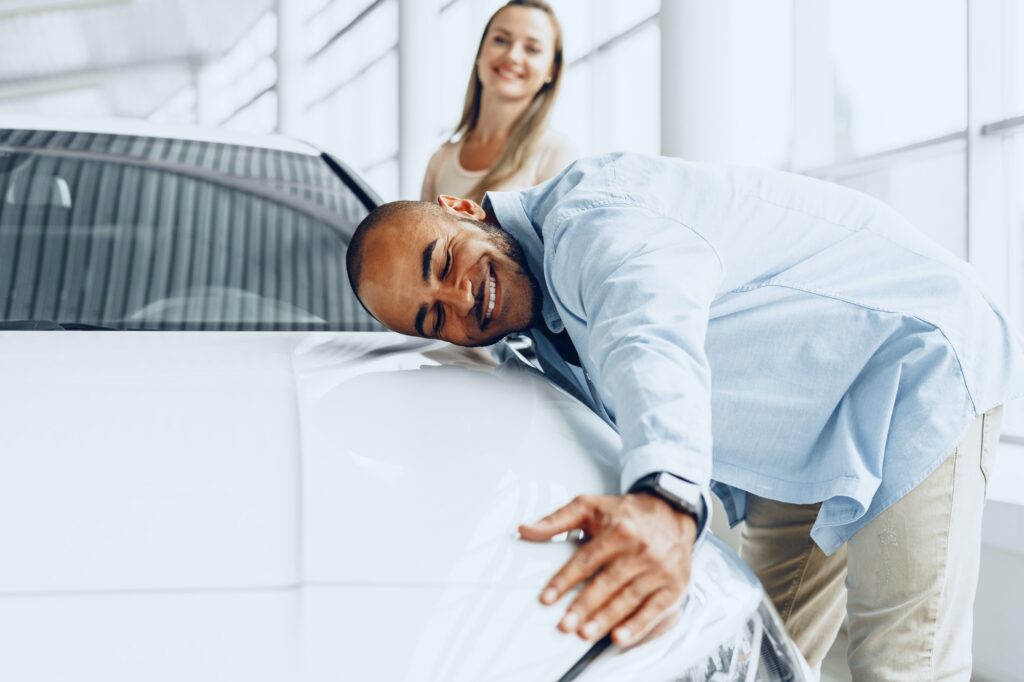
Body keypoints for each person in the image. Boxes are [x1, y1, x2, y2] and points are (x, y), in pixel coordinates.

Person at [345, 153, 1024, 680]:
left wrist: (664, 501)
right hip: (804, 432)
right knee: (755, 661)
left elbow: (647, 336)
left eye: (442, 260)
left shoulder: (595, 219)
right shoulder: (531, 332)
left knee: (899, 666)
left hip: (915, 359)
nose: (462, 299)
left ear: (463, 208)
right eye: (435, 317)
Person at [420, 0, 576, 205]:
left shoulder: (555, 152)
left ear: (551, 70)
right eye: (501, 40)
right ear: (480, 53)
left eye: (532, 49)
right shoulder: (440, 160)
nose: (512, 56)